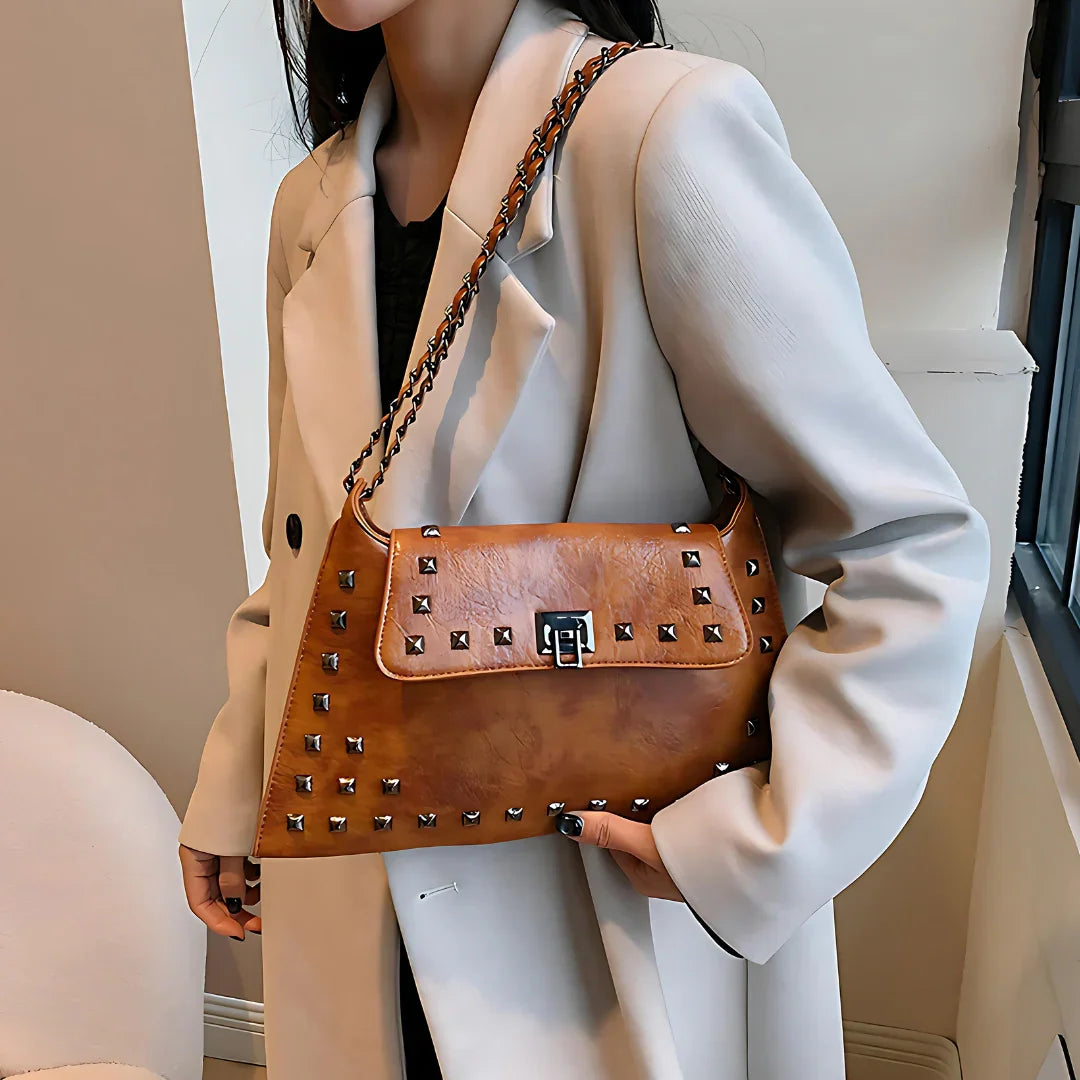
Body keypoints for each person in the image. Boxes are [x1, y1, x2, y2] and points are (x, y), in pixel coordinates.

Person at [177, 0, 993, 1077]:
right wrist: (240, 781)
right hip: (355, 887)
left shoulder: (657, 136)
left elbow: (910, 542)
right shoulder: (311, 205)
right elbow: (307, 561)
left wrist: (757, 841)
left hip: (596, 918)